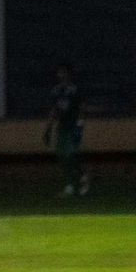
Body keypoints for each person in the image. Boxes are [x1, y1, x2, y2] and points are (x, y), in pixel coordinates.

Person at [43, 62, 88, 197]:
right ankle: (69, 186)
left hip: (73, 127)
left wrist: (80, 124)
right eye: (59, 72)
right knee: (61, 156)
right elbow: (54, 110)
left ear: (69, 74)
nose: (61, 75)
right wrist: (48, 129)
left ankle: (82, 177)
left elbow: (82, 107)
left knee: (70, 155)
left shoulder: (75, 90)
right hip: (62, 127)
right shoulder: (56, 91)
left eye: (63, 72)